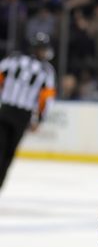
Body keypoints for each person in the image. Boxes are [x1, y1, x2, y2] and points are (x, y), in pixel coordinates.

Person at [0, 32, 56, 191]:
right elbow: (47, 99)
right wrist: (39, 120)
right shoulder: (46, 70)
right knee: (8, 154)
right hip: (22, 116)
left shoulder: (12, 59)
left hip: (5, 110)